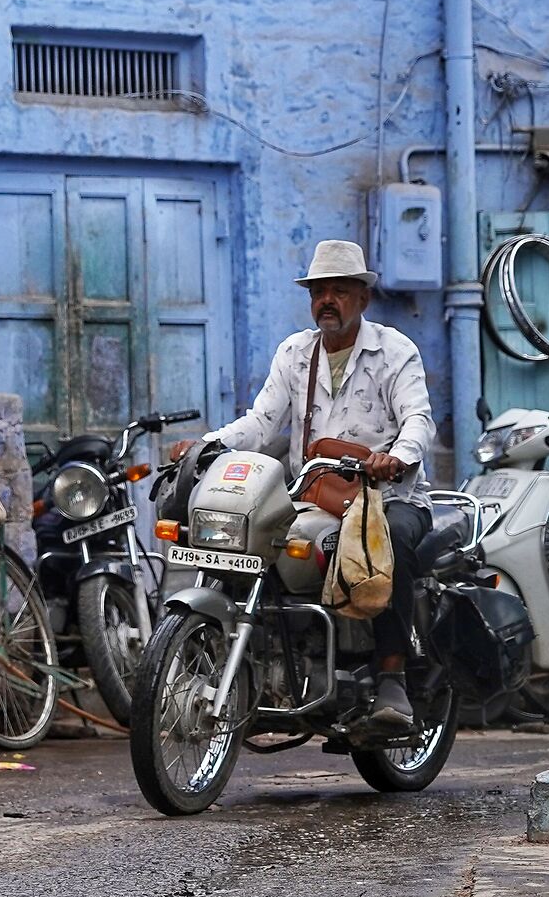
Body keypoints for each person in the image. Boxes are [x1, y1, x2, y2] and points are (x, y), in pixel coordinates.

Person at [171, 239, 437, 732]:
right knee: (254, 539)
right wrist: (205, 445)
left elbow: (418, 419)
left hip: (388, 497)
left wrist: (395, 457)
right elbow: (261, 423)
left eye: (339, 291)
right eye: (318, 292)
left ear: (363, 298)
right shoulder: (295, 353)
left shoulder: (395, 350)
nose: (327, 301)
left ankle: (391, 679)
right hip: (314, 495)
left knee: (390, 542)